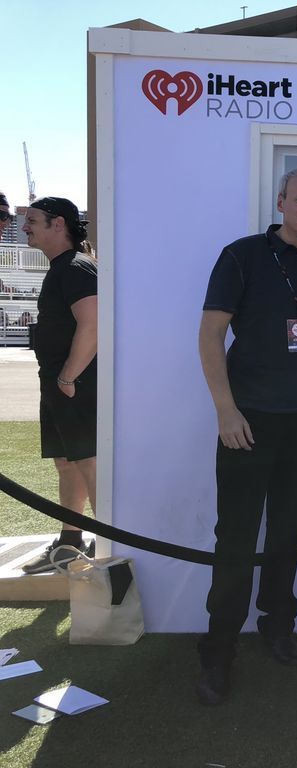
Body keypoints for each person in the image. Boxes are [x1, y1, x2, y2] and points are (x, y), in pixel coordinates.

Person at [196, 169, 297, 705]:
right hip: (247, 421)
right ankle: (218, 649)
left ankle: (277, 623)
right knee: (236, 535)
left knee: (288, 531)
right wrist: (225, 411)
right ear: (282, 201)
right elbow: (211, 335)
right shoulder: (240, 256)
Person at [19, 197, 98, 574]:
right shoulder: (62, 267)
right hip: (58, 385)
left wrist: (68, 376)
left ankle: (112, 551)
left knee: (90, 465)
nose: (24, 227)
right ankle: (71, 541)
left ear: (58, 224)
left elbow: (93, 324)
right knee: (67, 464)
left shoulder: (76, 268)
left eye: (32, 220)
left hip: (75, 386)